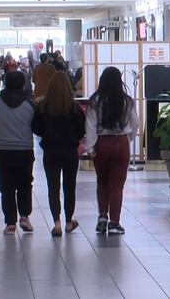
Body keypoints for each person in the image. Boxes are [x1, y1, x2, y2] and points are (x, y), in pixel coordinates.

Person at [84, 67, 139, 235]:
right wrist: (127, 138)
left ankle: (102, 217)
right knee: (117, 185)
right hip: (120, 143)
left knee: (102, 182)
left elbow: (91, 126)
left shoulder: (95, 101)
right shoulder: (127, 100)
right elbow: (135, 123)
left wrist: (89, 147)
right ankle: (114, 222)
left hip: (101, 143)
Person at [0, 71, 36, 235]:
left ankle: (10, 223)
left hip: (1, 151)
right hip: (24, 150)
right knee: (25, 184)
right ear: (22, 85)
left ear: (4, 83)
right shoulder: (29, 105)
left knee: (6, 187)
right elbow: (38, 126)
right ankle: (24, 216)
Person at [32, 72, 86, 237]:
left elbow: (35, 127)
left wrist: (47, 135)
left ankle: (56, 223)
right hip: (70, 151)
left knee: (53, 187)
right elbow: (81, 130)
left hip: (51, 150)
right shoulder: (74, 107)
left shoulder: (43, 106)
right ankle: (69, 221)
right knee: (70, 187)